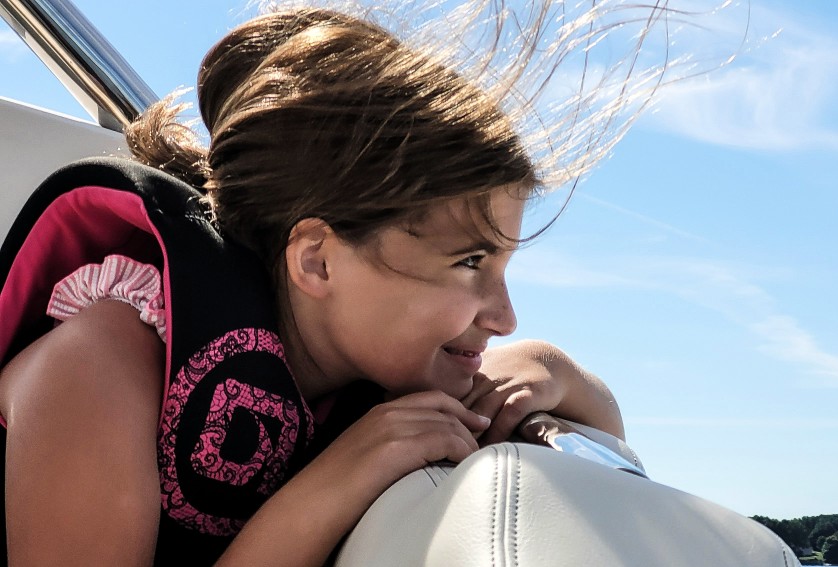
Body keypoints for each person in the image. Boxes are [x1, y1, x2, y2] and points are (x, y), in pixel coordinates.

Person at [0, 3, 662, 565]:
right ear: (317, 261)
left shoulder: (379, 367)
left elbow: (585, 415)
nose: (504, 316)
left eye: (503, 269)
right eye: (469, 263)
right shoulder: (102, 364)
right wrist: (336, 482)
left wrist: (556, 371)